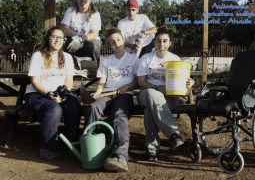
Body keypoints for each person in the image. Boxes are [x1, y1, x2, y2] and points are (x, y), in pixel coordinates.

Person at [84, 28, 139, 172]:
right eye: (112, 42)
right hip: (107, 94)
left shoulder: (133, 58)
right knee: (93, 108)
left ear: (123, 40)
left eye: (118, 40)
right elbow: (102, 80)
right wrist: (97, 92)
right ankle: (90, 146)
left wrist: (127, 87)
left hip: (125, 95)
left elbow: (138, 81)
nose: (116, 43)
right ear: (109, 45)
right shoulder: (106, 60)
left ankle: (121, 156)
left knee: (119, 116)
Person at [137, 27, 194, 161]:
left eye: (165, 41)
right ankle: (173, 134)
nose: (161, 44)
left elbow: (183, 81)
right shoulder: (146, 58)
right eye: (158, 41)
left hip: (169, 98)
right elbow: (141, 81)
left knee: (150, 111)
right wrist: (157, 87)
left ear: (170, 43)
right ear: (154, 42)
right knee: (152, 94)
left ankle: (152, 150)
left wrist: (189, 82)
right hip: (146, 93)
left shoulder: (175, 59)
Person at [24, 26, 81, 160]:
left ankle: (71, 143)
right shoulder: (38, 55)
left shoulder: (67, 57)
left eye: (60, 37)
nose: (57, 40)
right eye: (54, 37)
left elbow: (69, 80)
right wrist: (49, 94)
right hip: (37, 94)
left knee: (73, 104)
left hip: (59, 93)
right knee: (53, 109)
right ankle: (47, 148)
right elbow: (35, 81)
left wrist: (63, 93)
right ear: (48, 38)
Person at [61, 0, 102, 67]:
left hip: (90, 42)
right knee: (63, 44)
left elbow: (94, 33)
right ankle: (69, 67)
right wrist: (75, 36)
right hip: (73, 40)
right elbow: (64, 28)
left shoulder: (95, 14)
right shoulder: (70, 10)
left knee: (90, 46)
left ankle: (92, 67)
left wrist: (80, 39)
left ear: (90, 0)